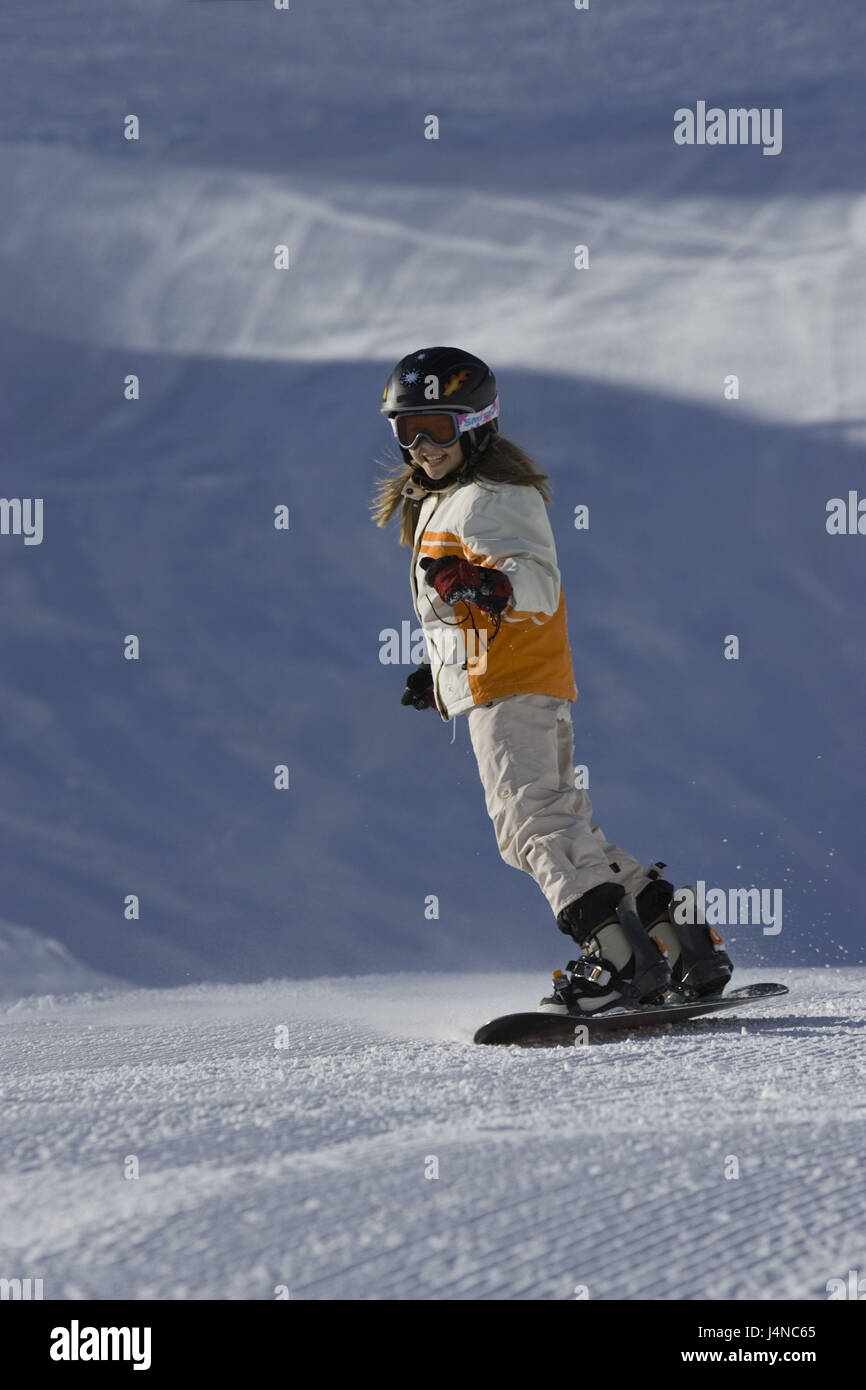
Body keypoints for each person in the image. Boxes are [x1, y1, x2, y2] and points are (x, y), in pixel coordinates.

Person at [372, 346, 733, 1015]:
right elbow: (468, 609)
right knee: (564, 826)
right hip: (507, 680)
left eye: (439, 429)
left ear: (478, 424)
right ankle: (680, 942)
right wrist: (441, 671)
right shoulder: (451, 499)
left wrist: (486, 582)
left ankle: (619, 963)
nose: (422, 446)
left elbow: (536, 580)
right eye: (406, 430)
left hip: (513, 686)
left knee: (530, 826)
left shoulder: (490, 498)